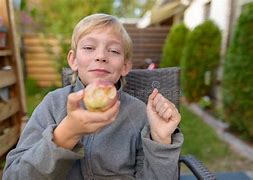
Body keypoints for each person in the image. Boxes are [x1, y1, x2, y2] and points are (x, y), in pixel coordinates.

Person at [3, 13, 183, 180]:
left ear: (125, 66)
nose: (101, 56)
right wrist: (65, 135)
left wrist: (161, 141)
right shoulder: (53, 104)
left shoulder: (139, 113)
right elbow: (14, 175)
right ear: (73, 60)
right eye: (89, 47)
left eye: (113, 51)